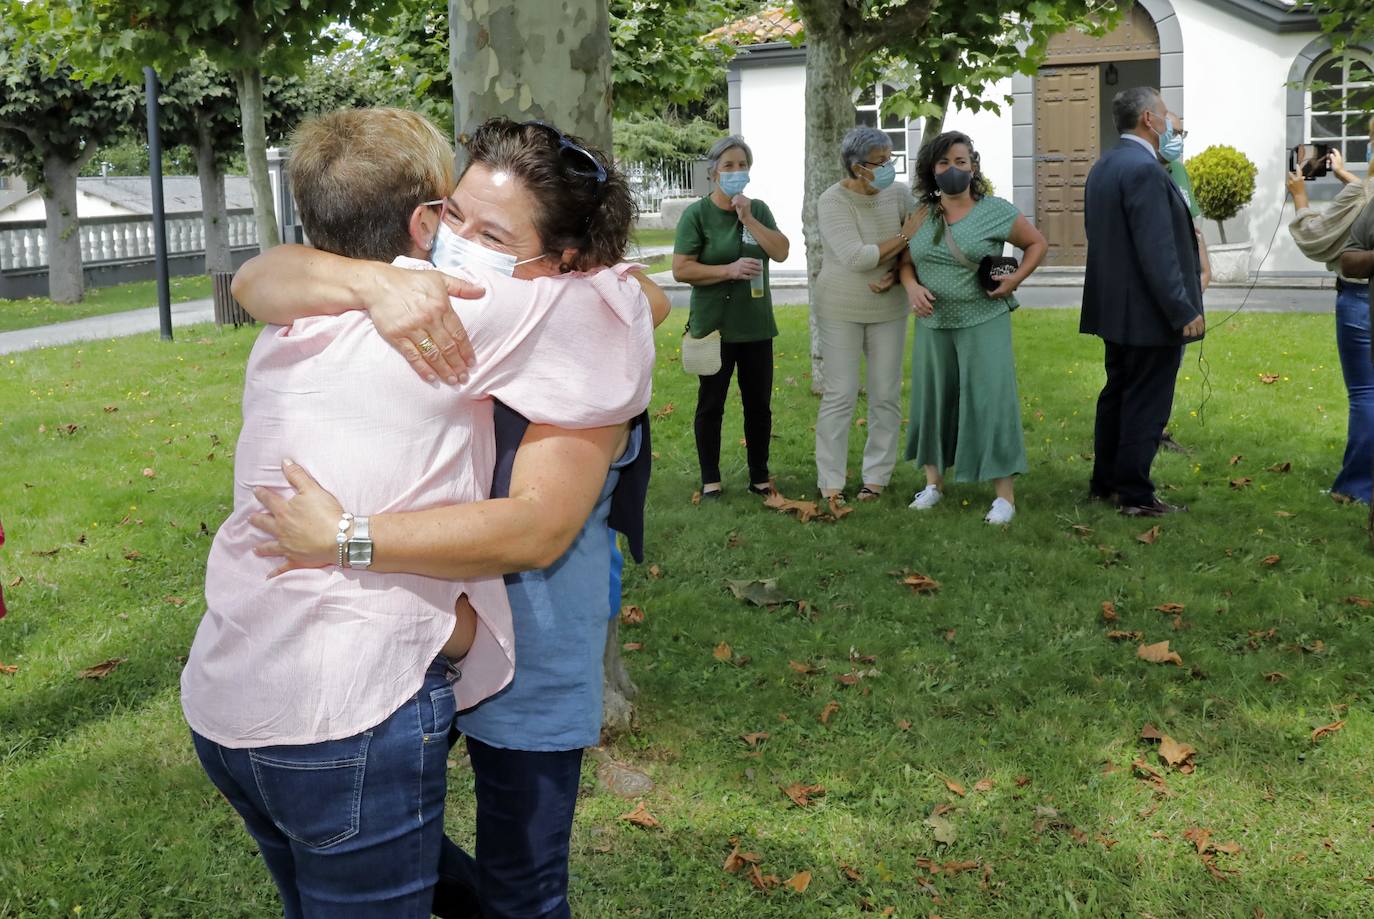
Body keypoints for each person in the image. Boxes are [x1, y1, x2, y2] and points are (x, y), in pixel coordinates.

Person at [189, 110, 660, 917]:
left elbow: (631, 302)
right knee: (400, 848)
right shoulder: (425, 304)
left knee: (518, 881)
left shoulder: (540, 317)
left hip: (515, 655)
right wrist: (376, 282)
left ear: (567, 259)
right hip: (400, 663)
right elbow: (258, 276)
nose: (461, 242)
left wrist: (345, 539)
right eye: (454, 215)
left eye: (494, 235)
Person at [899, 130, 1047, 525]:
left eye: (960, 162)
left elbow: (1036, 244)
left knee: (991, 401)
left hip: (984, 320)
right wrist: (911, 287)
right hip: (934, 324)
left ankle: (1004, 498)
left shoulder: (996, 210)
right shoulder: (921, 215)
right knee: (934, 399)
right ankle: (933, 484)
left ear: (973, 167)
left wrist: (1015, 281)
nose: (952, 169)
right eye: (944, 163)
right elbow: (906, 260)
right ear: (933, 170)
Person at [1081, 86, 1205, 517]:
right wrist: (1182, 308)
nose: (1172, 122)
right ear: (1149, 120)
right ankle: (1135, 494)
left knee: (1117, 393)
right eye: (1166, 114)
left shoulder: (1104, 166)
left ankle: (1106, 482)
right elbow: (1158, 249)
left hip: (1114, 308)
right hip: (1150, 312)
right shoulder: (1147, 171)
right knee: (1146, 402)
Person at [672, 135, 789, 499]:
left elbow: (781, 252)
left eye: (742, 166)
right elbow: (681, 269)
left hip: (755, 326)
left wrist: (749, 218)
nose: (737, 172)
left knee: (758, 406)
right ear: (713, 174)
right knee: (711, 404)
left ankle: (759, 476)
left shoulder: (759, 210)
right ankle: (711, 479)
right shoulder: (697, 215)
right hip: (714, 328)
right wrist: (728, 270)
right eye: (729, 166)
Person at [813, 125, 923, 502]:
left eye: (890, 159)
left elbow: (921, 239)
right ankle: (830, 482)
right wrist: (905, 236)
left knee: (885, 395)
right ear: (857, 167)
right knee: (840, 394)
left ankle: (875, 478)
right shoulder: (832, 201)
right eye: (880, 162)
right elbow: (857, 257)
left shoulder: (899, 194)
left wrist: (896, 273)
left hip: (890, 307)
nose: (888, 167)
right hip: (840, 306)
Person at [1290, 118, 1374, 503]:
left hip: (1359, 301)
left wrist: (1299, 195)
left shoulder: (1363, 194)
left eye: (1371, 139)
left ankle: (1356, 489)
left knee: (1365, 394)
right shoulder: (1360, 190)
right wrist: (1343, 174)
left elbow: (1317, 238)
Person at [1157, 111, 1210, 455]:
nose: (1178, 138)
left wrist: (1205, 267)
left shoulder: (1179, 172)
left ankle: (1158, 428)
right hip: (1162, 285)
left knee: (1172, 362)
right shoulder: (1143, 174)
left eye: (1182, 132)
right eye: (1173, 132)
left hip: (1187, 283)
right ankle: (1144, 431)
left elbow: (1194, 222)